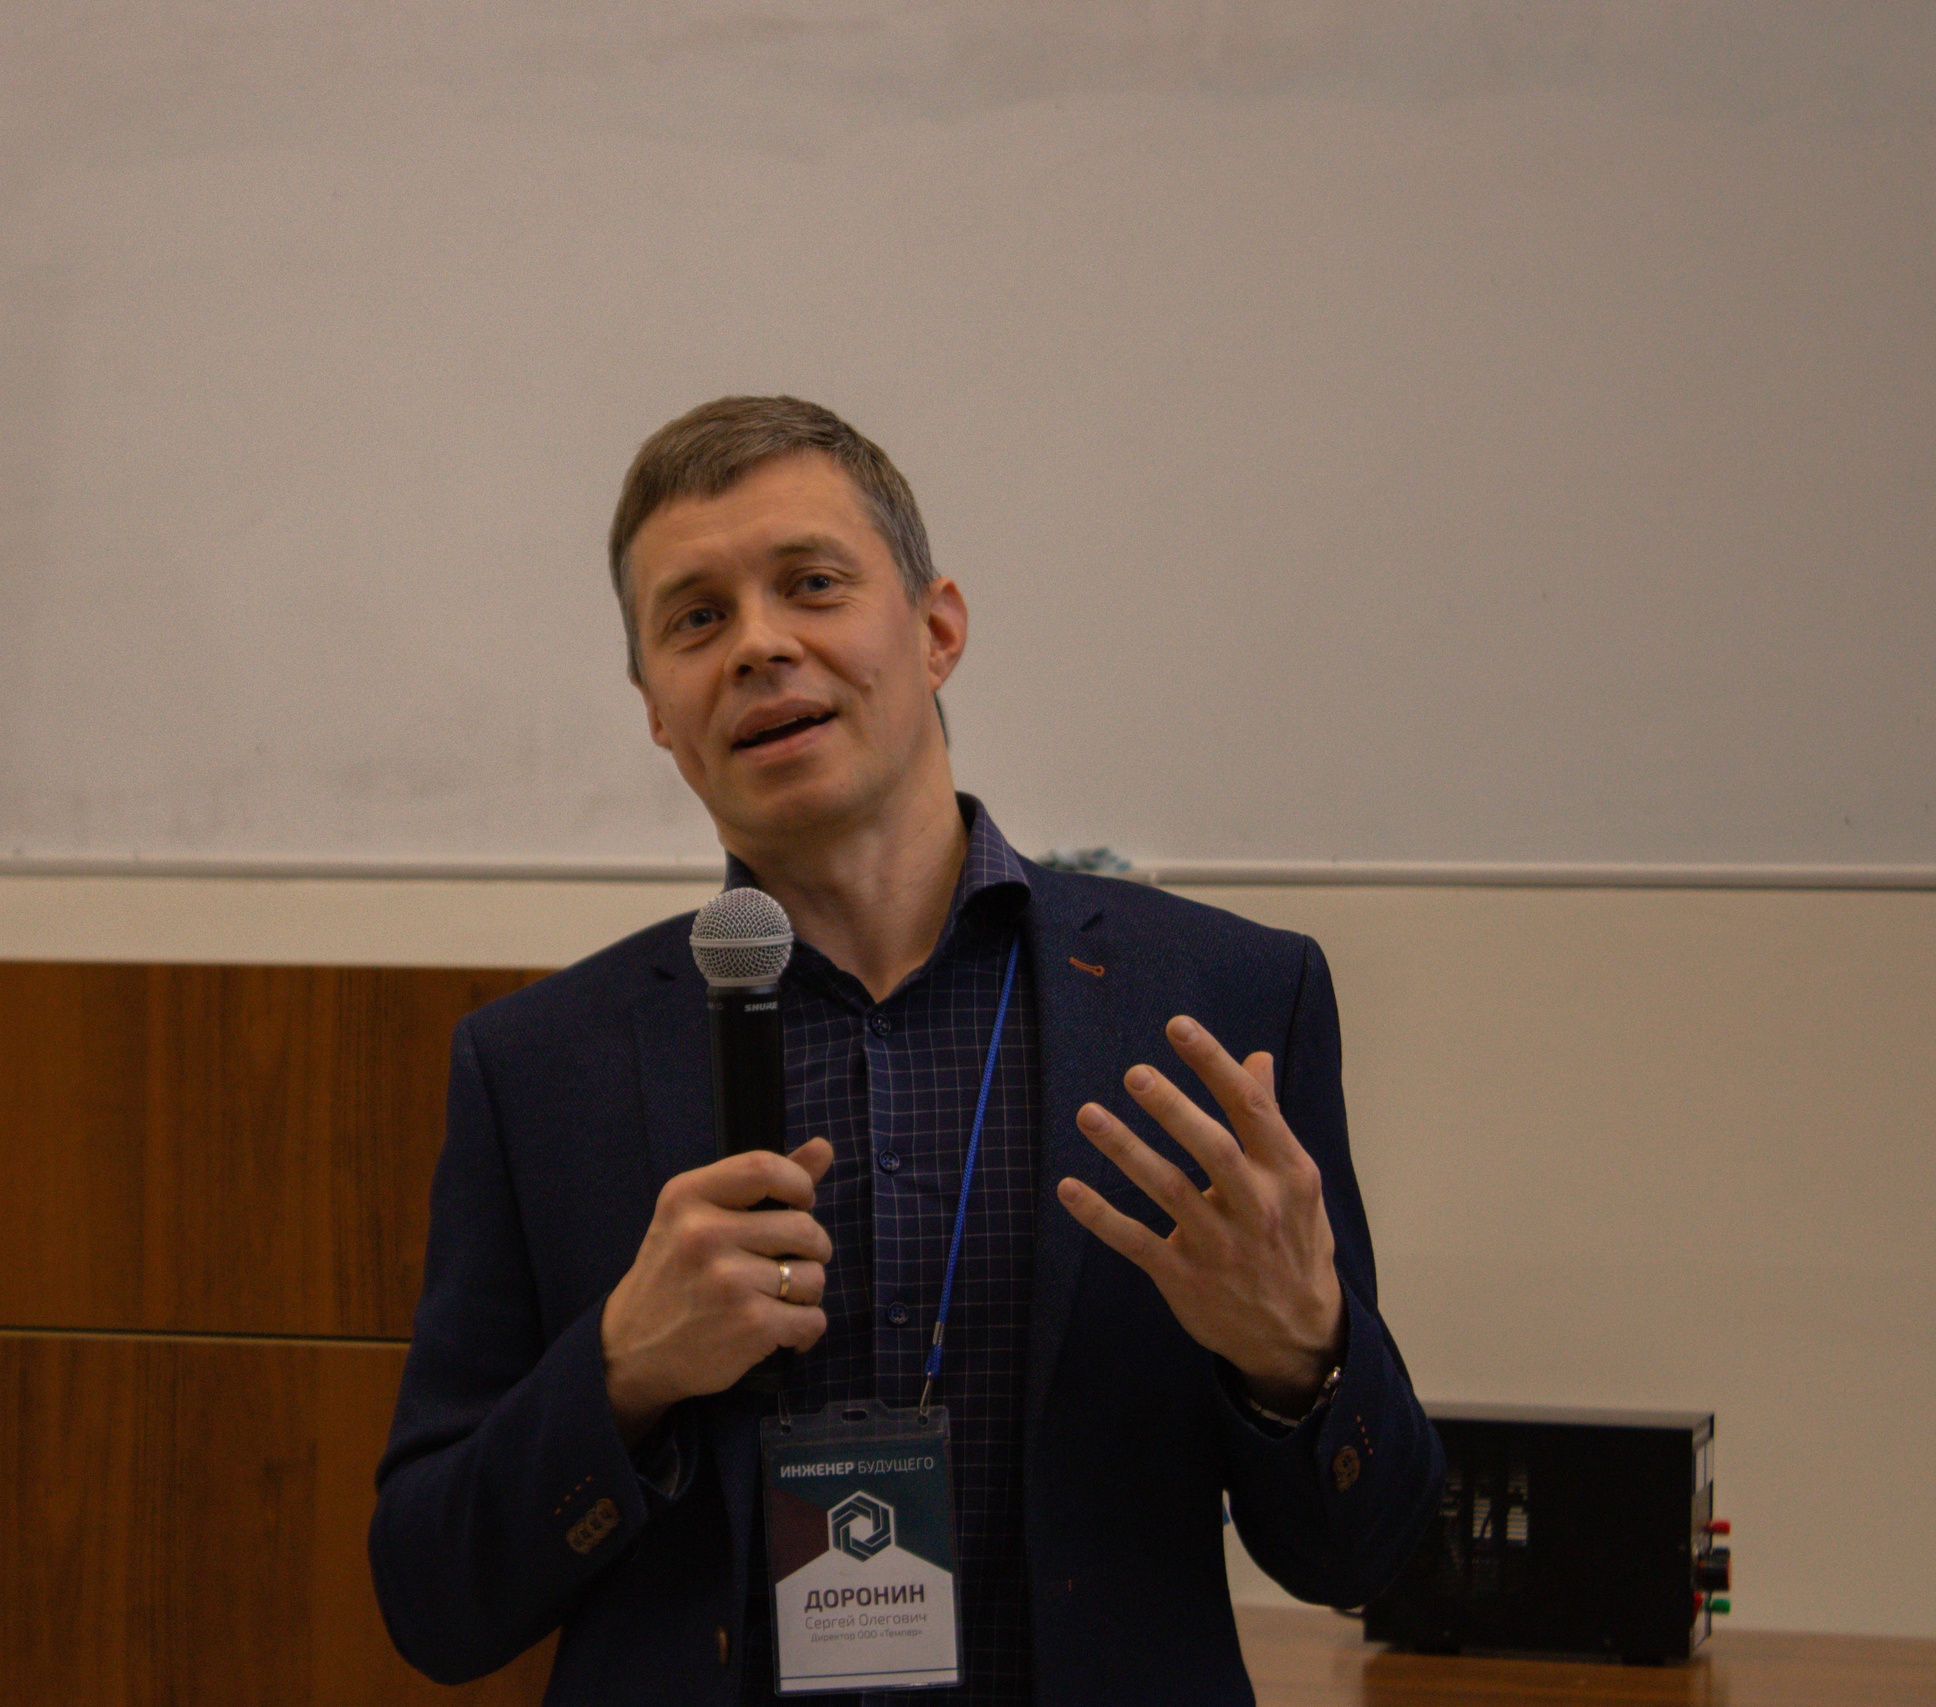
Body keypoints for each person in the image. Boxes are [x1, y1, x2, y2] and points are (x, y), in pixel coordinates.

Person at [370, 396, 1443, 1704]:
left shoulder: (1221, 1005)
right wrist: (623, 1369)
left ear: (937, 631)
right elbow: (432, 1601)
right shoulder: (539, 1070)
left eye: (812, 585)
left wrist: (1298, 1356)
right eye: (696, 619)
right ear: (656, 711)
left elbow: (1370, 1552)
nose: (759, 645)